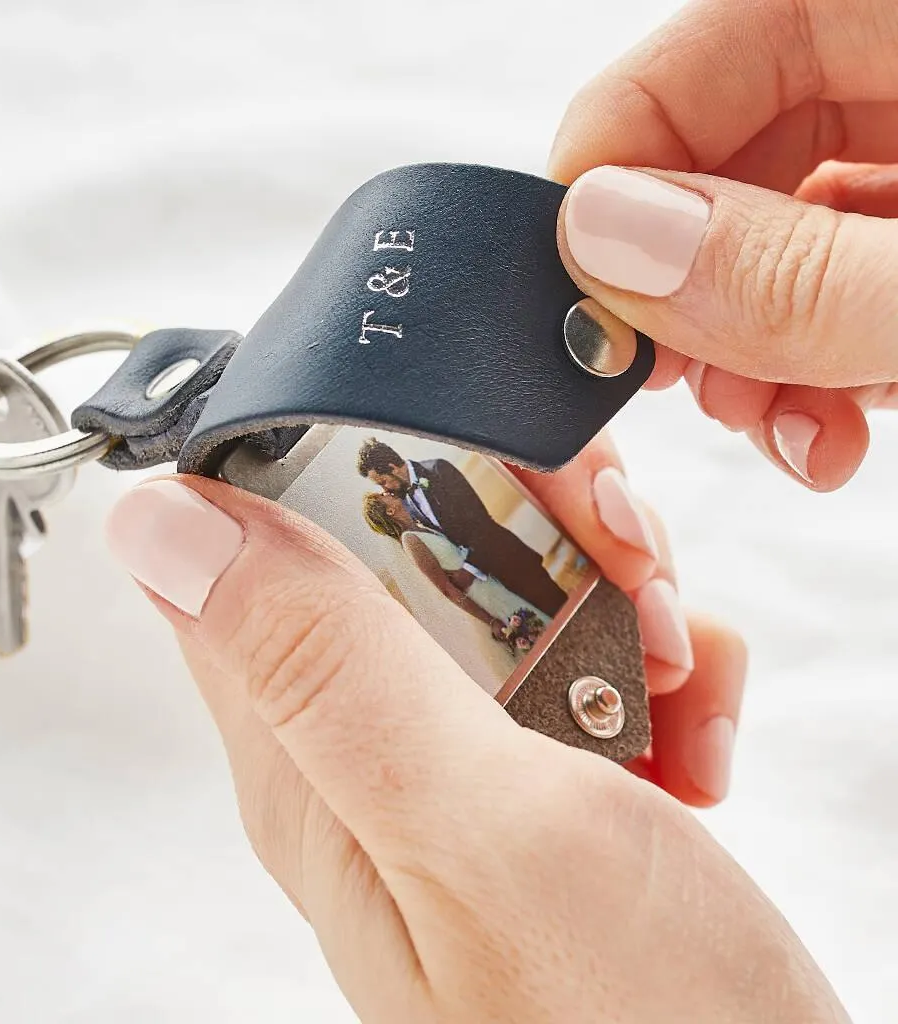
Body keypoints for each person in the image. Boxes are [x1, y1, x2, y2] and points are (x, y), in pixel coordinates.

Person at [101, 0, 898, 1016]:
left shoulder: (395, 480)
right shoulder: (388, 495)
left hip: (492, 573)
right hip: (477, 575)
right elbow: (436, 558)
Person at [357, 438, 568, 617]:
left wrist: (468, 570)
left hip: (509, 561)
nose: (385, 489)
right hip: (490, 587)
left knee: (561, 612)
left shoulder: (439, 470)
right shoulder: (407, 501)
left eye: (383, 482)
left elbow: (481, 522)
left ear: (393, 468)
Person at [361, 488, 554, 649]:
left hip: (492, 584)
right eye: (383, 495)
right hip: (486, 599)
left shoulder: (420, 525)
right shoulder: (410, 541)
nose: (388, 492)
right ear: (389, 511)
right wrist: (490, 620)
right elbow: (446, 589)